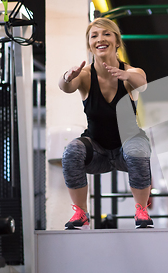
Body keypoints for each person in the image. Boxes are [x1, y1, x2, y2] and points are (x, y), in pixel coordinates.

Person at [59, 18, 153, 229]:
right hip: (98, 152)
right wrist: (67, 76)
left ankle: (141, 211)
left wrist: (126, 75)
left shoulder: (132, 72)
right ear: (90, 44)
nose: (100, 39)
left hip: (126, 151)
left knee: (136, 147)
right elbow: (66, 87)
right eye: (94, 36)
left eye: (106, 34)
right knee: (72, 150)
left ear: (117, 41)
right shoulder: (83, 76)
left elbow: (143, 84)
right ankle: (81, 213)